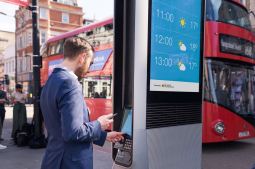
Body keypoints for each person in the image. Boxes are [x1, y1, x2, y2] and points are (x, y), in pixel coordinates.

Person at [40, 37, 123, 169]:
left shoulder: (50, 82)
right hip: (70, 163)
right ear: (82, 57)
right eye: (90, 63)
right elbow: (73, 132)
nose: (88, 69)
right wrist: (99, 124)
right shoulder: (70, 83)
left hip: (53, 160)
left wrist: (104, 135)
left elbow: (62, 128)